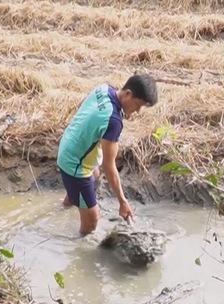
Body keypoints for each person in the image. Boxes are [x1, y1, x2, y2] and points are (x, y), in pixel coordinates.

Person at [56, 74, 158, 236]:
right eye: (138, 105)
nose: (138, 111)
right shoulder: (113, 121)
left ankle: (66, 205)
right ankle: (78, 247)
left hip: (67, 143)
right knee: (92, 221)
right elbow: (108, 165)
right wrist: (122, 202)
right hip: (73, 163)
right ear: (128, 94)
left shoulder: (103, 89)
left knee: (94, 175)